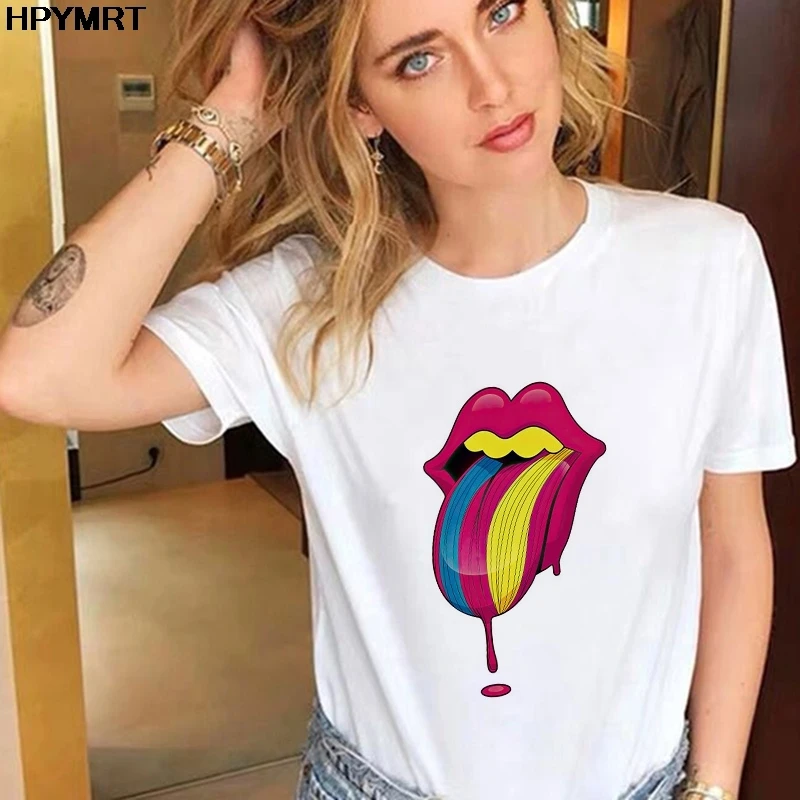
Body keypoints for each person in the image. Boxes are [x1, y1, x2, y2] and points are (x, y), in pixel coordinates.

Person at [0, 1, 795, 798]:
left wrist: (714, 787)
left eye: (502, 12)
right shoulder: (307, 304)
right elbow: (39, 375)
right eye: (419, 59)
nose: (492, 86)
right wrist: (235, 112)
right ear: (360, 106)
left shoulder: (707, 262)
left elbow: (732, 546)